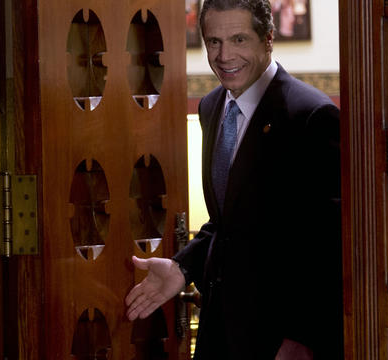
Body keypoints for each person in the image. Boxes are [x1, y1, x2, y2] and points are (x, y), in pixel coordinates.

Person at [125, 0, 342, 358]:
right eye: (214, 42)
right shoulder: (212, 106)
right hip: (219, 329)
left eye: (239, 40)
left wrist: (303, 338)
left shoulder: (311, 115)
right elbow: (227, 224)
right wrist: (183, 266)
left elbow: (329, 244)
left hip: (281, 340)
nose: (224, 55)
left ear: (268, 39)